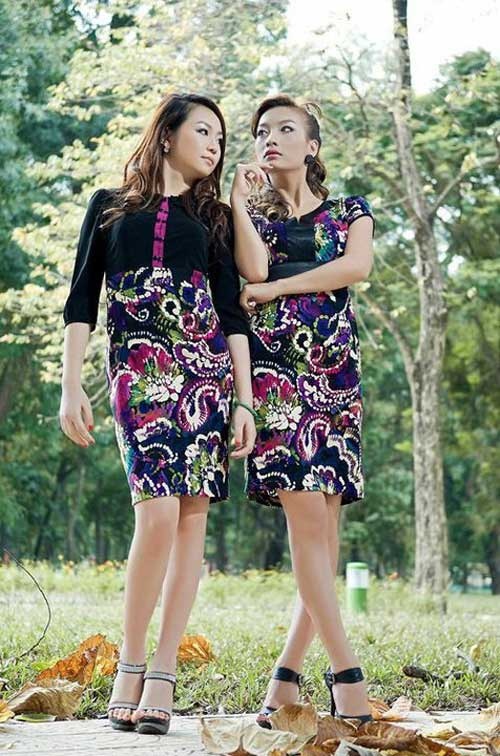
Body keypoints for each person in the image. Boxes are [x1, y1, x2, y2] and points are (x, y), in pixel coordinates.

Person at [60, 92, 255, 735]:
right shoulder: (109, 206)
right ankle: (132, 659)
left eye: (221, 137)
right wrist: (70, 384)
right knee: (158, 512)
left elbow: (231, 313)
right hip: (139, 371)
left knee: (192, 517)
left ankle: (164, 670)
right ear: (167, 134)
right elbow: (82, 299)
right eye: (203, 131)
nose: (215, 145)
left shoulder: (216, 218)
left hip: (206, 374)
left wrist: (244, 400)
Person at [229, 94, 374, 726]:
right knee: (308, 525)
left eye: (286, 129)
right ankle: (347, 675)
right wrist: (237, 201)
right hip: (276, 382)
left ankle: (284, 682)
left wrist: (279, 288)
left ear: (311, 146)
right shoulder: (252, 218)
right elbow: (249, 272)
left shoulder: (350, 211)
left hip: (336, 380)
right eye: (263, 130)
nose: (272, 137)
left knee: (326, 534)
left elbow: (355, 267)